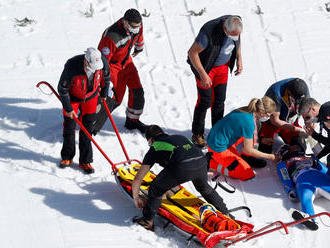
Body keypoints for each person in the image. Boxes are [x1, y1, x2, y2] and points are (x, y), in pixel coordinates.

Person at [131, 125, 230, 230]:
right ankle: (225, 213)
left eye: (149, 142)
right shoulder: (180, 137)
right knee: (204, 188)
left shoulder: (155, 146)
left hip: (183, 167)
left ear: (151, 139)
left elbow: (138, 178)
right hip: (201, 162)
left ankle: (147, 221)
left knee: (155, 188)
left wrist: (136, 198)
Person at [187, 15, 243, 146]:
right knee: (204, 101)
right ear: (225, 29)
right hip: (207, 68)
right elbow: (192, 53)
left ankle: (217, 131)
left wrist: (239, 58)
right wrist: (203, 74)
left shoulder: (236, 24)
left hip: (222, 67)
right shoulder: (209, 32)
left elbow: (238, 41)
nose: (235, 38)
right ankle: (197, 134)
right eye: (232, 35)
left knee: (219, 101)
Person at [93, 8, 147, 134]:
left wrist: (139, 48)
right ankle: (92, 123)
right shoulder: (111, 36)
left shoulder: (137, 26)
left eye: (138, 26)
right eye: (133, 27)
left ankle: (132, 121)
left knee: (137, 91)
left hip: (127, 62)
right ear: (125, 22)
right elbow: (102, 61)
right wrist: (105, 80)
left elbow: (139, 36)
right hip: (112, 66)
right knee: (113, 98)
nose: (136, 30)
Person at [57, 47, 110, 174]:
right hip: (73, 98)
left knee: (87, 129)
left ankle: (85, 161)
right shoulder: (72, 66)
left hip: (91, 96)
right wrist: (68, 108)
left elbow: (106, 79)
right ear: (86, 61)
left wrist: (103, 94)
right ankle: (67, 157)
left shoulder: (102, 63)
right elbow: (62, 89)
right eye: (93, 68)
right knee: (69, 127)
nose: (96, 70)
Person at [207, 97, 280, 181]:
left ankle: (242, 159)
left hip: (218, 139)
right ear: (263, 113)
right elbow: (248, 150)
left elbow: (247, 133)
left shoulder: (247, 110)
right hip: (217, 147)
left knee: (249, 135)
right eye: (269, 115)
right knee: (247, 174)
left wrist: (261, 140)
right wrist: (270, 156)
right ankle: (210, 163)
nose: (269, 117)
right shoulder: (249, 122)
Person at [276, 144, 330, 231]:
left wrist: (325, 171)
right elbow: (285, 177)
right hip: (302, 179)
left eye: (297, 146)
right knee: (305, 198)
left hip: (318, 176)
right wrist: (290, 190)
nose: (296, 148)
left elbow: (324, 169)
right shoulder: (283, 164)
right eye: (292, 147)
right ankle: (309, 218)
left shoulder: (310, 157)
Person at [258, 78, 310, 154]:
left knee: (300, 146)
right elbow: (275, 120)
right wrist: (297, 129)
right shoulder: (275, 93)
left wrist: (308, 125)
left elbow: (308, 110)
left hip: (290, 119)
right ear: (289, 93)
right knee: (265, 149)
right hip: (273, 121)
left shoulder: (304, 91)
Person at [299, 98, 330, 167]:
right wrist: (317, 157)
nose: (308, 121)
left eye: (307, 117)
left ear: (312, 109)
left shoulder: (326, 112)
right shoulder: (323, 118)